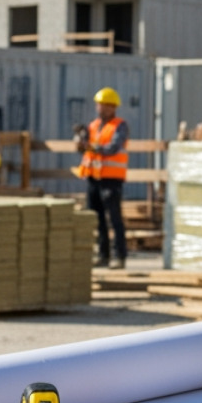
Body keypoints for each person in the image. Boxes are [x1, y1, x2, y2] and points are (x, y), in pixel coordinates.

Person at [76, 87, 128, 269]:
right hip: (94, 177)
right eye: (100, 105)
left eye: (106, 105)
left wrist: (91, 147)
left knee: (114, 218)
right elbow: (86, 147)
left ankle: (119, 256)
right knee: (97, 218)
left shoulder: (119, 126)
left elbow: (113, 148)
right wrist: (81, 143)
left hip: (111, 179)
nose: (102, 109)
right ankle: (102, 254)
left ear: (113, 107)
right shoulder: (93, 126)